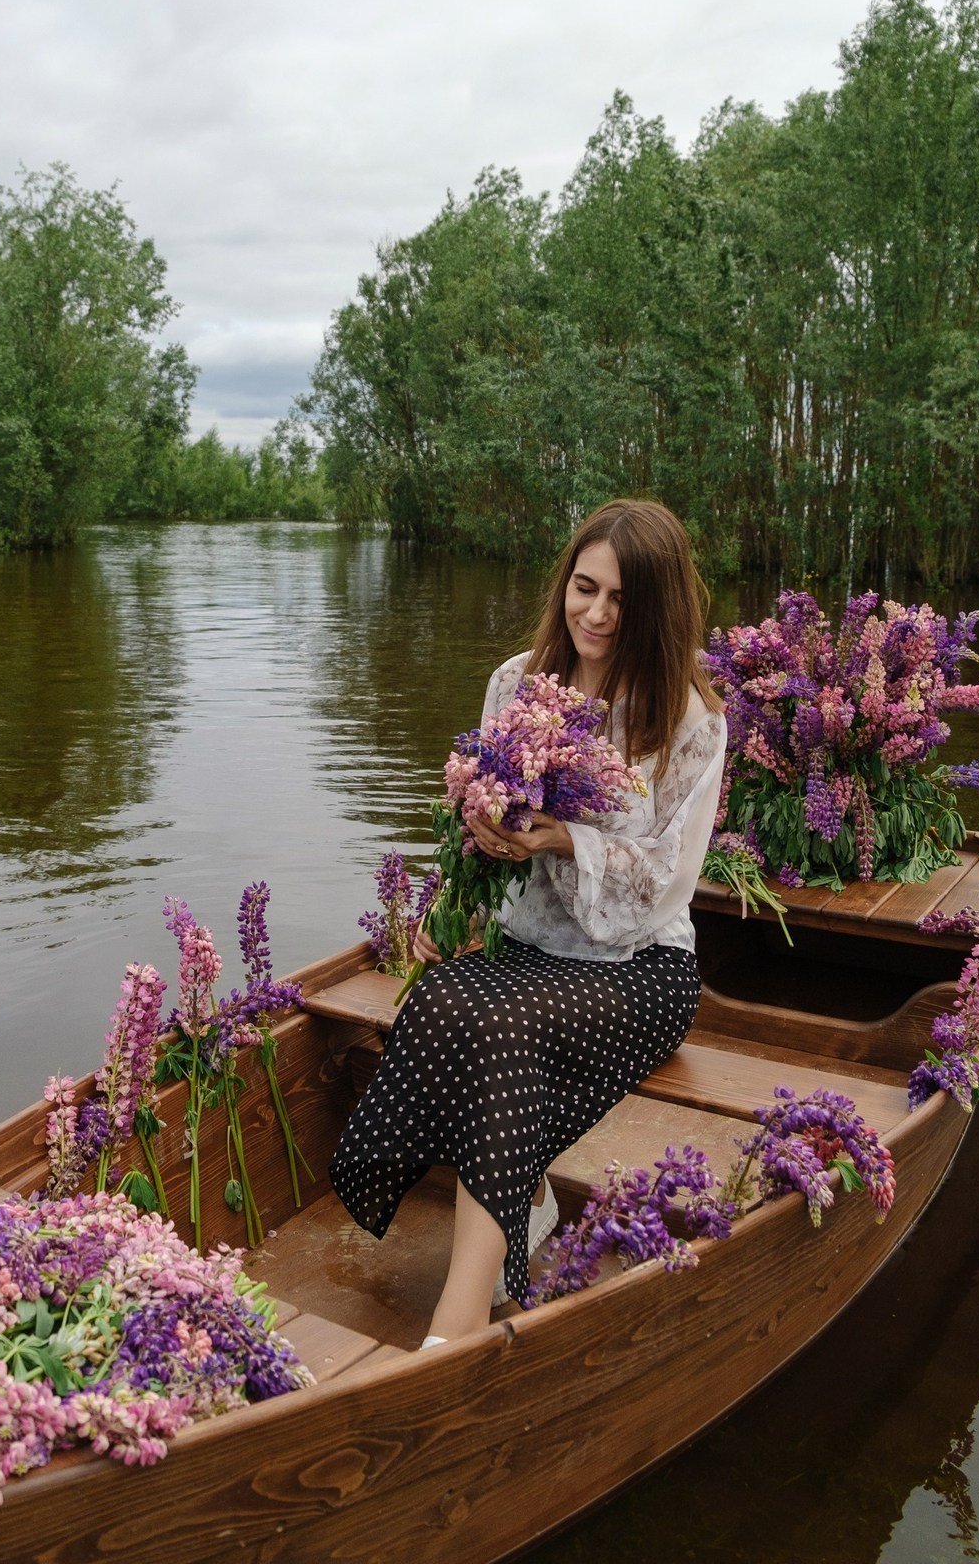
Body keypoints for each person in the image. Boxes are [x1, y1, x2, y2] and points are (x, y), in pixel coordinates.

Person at [328, 498, 727, 1345]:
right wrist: (454, 900)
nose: (598, 613)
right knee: (440, 1001)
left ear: (656, 610)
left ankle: (460, 1320)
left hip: (639, 968)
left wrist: (563, 838)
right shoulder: (517, 683)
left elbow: (666, 881)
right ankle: (528, 1199)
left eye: (622, 599)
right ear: (566, 586)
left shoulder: (691, 723)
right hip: (529, 946)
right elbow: (483, 811)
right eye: (585, 587)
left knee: (502, 1024)